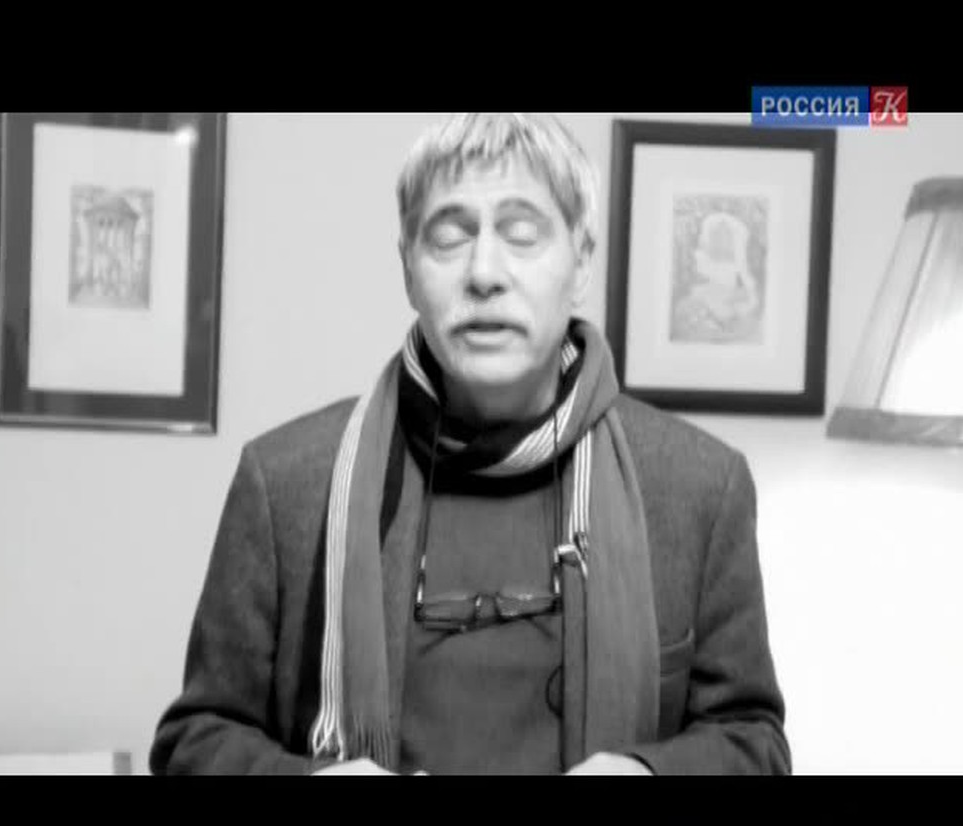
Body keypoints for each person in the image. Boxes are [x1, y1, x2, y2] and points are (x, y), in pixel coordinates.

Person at [149, 113, 790, 775]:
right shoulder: (286, 484)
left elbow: (753, 741)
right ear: (407, 265)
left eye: (522, 234)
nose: (484, 273)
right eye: (450, 237)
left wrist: (646, 775)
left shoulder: (697, 486)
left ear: (581, 261)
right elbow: (194, 742)